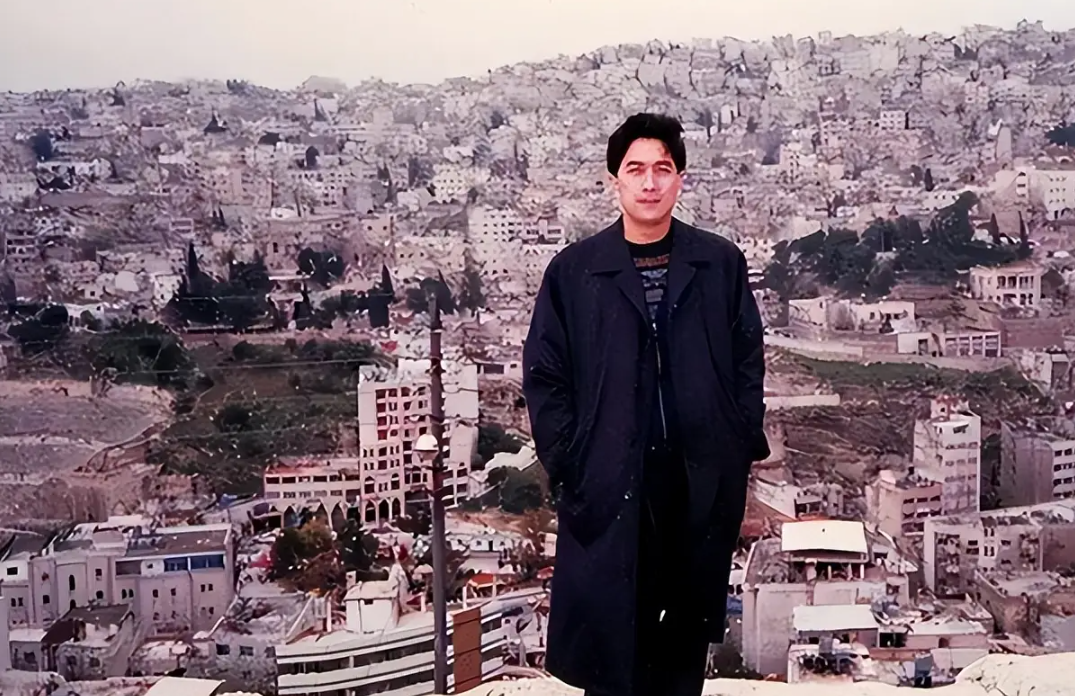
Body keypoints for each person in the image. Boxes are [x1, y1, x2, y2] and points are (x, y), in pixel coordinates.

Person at [522, 113, 769, 696]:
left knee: (681, 650)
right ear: (615, 180)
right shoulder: (575, 272)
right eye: (636, 169)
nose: (650, 182)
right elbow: (545, 376)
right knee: (610, 649)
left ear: (681, 178)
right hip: (608, 485)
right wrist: (571, 464)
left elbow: (747, 359)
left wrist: (735, 444)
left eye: (663, 168)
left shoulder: (719, 263)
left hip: (695, 484)